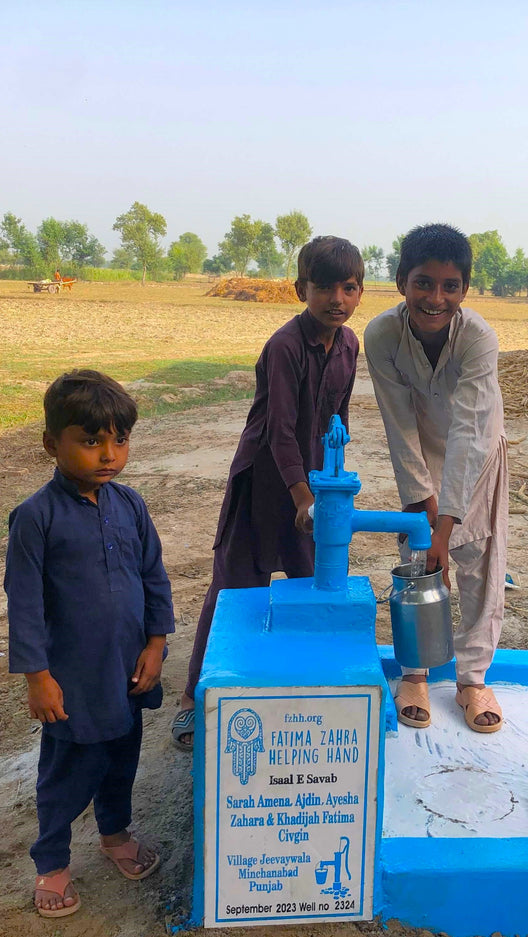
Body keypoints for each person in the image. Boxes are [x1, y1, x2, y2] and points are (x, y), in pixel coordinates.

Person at [171, 236, 362, 749]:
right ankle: (194, 696)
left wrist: (329, 482)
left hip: (312, 485)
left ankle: (298, 689)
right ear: (302, 289)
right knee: (235, 586)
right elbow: (280, 430)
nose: (336, 299)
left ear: (361, 292)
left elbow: (337, 418)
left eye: (349, 287)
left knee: (310, 580)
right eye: (324, 287)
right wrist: (302, 497)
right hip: (264, 480)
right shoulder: (284, 346)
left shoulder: (349, 345)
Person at [6, 370, 175, 917]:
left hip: (127, 670)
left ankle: (114, 834)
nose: (108, 454)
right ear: (53, 444)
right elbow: (25, 603)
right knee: (66, 770)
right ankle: (52, 862)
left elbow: (155, 578)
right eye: (91, 440)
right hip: (71, 680)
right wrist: (38, 676)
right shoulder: (35, 518)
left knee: (122, 758)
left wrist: (156, 645)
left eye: (119, 440)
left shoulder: (130, 506)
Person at [363, 223, 508, 733]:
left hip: (479, 457)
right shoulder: (381, 335)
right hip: (420, 456)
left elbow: (470, 432)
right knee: (417, 564)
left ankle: (472, 679)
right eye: (424, 282)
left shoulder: (478, 338)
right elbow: (397, 423)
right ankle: (415, 674)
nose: (435, 297)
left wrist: (445, 528)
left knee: (480, 566)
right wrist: (422, 508)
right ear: (402, 280)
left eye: (450, 286)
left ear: (464, 290)